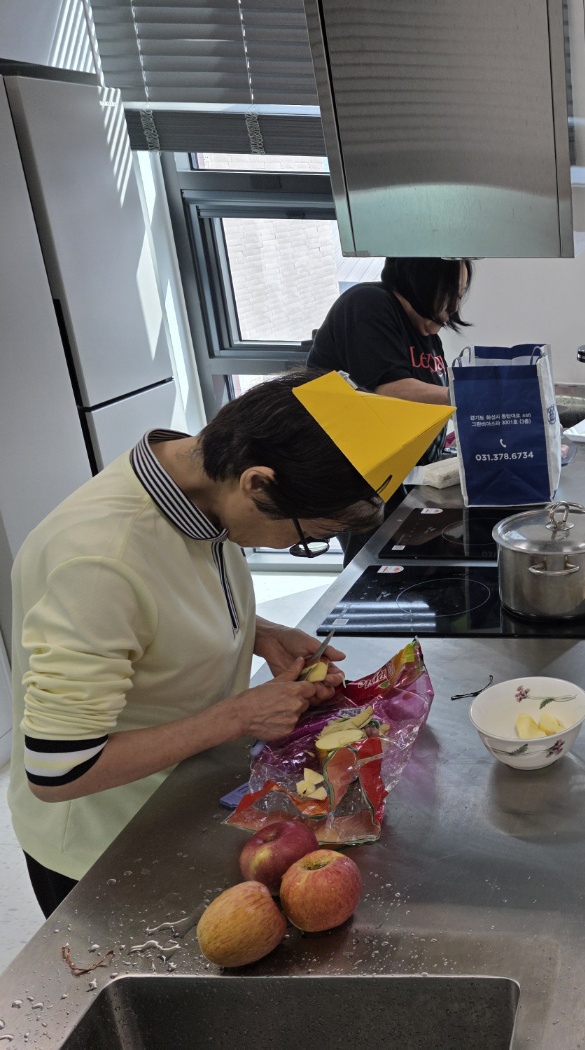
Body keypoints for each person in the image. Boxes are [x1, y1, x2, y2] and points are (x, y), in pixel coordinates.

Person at [8, 371, 452, 916]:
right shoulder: (97, 561)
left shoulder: (198, 480)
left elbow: (157, 599)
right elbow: (58, 768)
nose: (295, 547)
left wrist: (259, 632)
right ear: (257, 484)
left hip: (182, 793)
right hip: (106, 848)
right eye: (306, 538)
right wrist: (240, 716)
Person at [306, 257, 472, 562]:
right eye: (451, 294)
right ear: (423, 280)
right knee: (374, 565)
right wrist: (474, 395)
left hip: (403, 477)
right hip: (359, 483)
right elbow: (391, 391)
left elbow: (434, 399)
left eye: (459, 296)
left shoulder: (426, 335)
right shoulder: (367, 304)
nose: (454, 308)